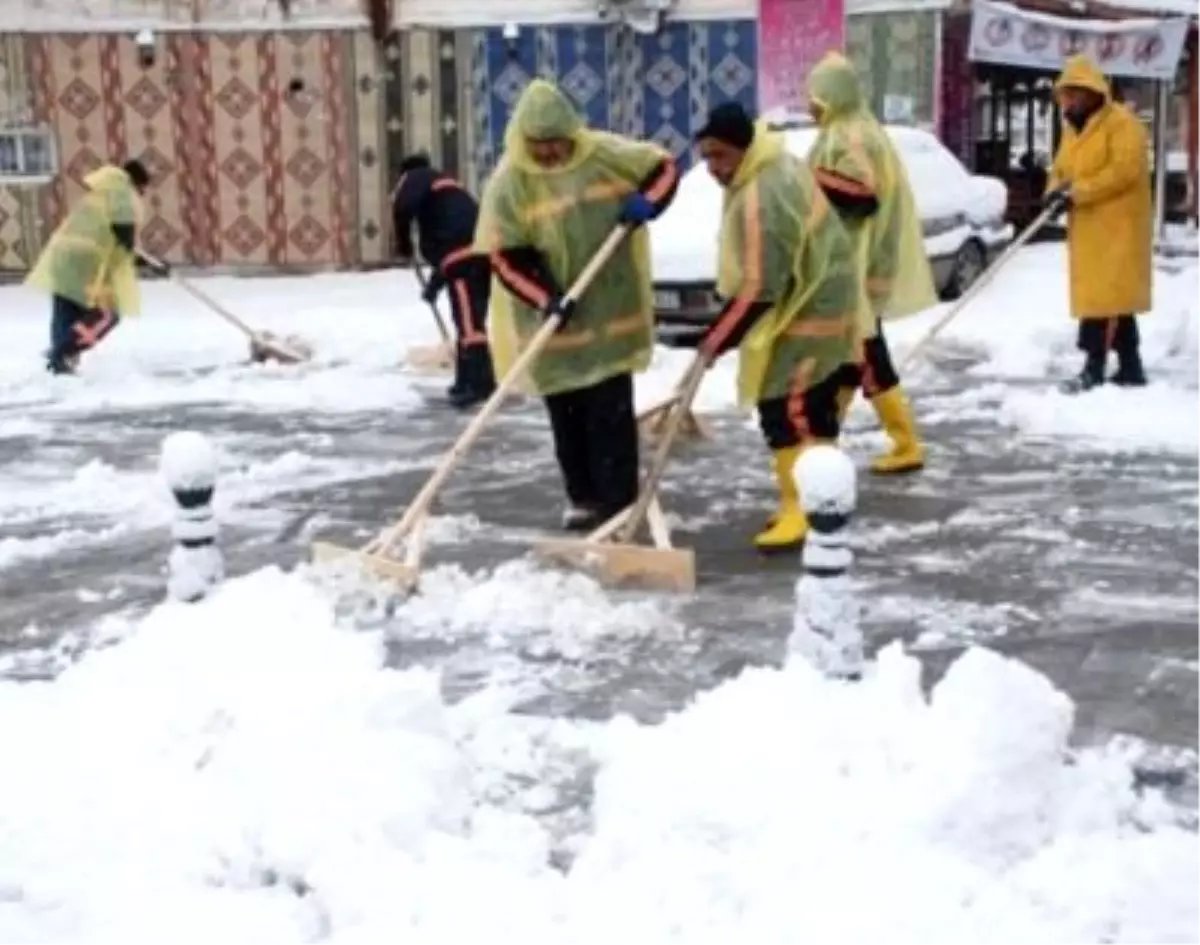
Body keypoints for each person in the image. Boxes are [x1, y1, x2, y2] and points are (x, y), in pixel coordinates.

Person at [474, 79, 679, 531]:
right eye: (538, 145)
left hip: (609, 318)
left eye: (556, 142)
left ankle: (620, 504)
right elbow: (503, 255)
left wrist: (648, 202)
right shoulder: (510, 184)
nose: (548, 152)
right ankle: (584, 498)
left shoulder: (604, 155)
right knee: (567, 420)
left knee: (610, 415)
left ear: (572, 132)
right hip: (555, 329)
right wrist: (545, 297)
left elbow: (663, 167)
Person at [693, 102, 860, 552]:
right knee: (814, 406)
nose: (713, 168)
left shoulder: (761, 193)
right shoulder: (772, 166)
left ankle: (800, 510)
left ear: (744, 149)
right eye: (706, 157)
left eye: (720, 156)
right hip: (819, 300)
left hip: (809, 310)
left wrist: (715, 340)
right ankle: (822, 500)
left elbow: (760, 287)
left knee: (787, 409)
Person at [805, 51, 937, 475]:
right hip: (854, 263)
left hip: (853, 265)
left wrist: (807, 178)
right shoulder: (851, 129)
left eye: (815, 95)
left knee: (863, 349)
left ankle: (903, 442)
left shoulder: (851, 135)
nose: (809, 104)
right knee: (851, 353)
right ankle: (827, 441)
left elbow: (863, 194)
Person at [1044, 54, 1152, 394]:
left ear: (1094, 93)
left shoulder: (1122, 124)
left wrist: (1078, 193)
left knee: (1106, 302)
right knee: (1106, 299)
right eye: (1066, 94)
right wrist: (1054, 193)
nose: (1070, 101)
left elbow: (1123, 172)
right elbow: (1061, 169)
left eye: (1077, 93)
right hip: (1089, 229)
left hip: (1118, 227)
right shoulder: (1073, 130)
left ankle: (1095, 367)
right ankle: (1131, 367)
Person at [26, 159, 164, 375]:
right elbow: (124, 238)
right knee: (107, 314)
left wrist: (143, 259)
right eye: (144, 188)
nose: (144, 194)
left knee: (68, 310)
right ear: (138, 184)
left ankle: (62, 363)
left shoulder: (99, 194)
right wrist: (146, 259)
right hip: (85, 262)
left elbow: (116, 239)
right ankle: (63, 352)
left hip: (61, 257)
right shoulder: (123, 194)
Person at [392, 152, 497, 408]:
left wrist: (403, 243)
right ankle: (468, 381)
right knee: (470, 321)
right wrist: (434, 286)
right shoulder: (447, 189)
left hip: (462, 259)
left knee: (469, 324)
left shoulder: (415, 177)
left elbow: (402, 206)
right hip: (479, 256)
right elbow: (452, 241)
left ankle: (478, 385)